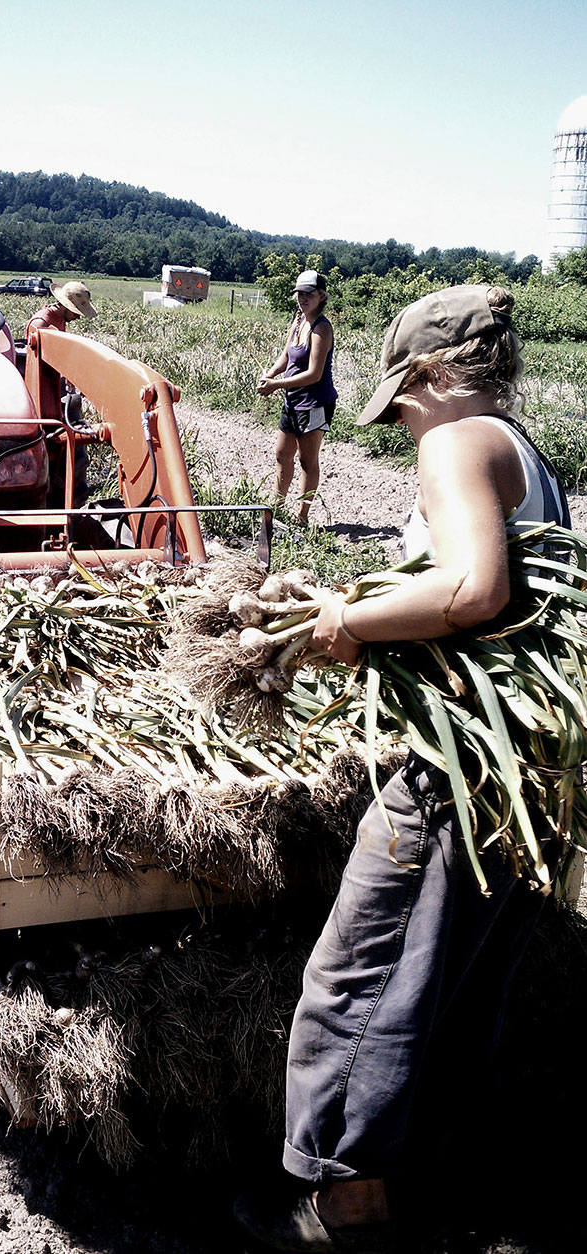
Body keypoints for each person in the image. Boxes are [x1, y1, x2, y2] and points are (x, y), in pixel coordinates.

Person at [235, 284, 571, 1252]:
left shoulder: (456, 442)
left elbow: (472, 589)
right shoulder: (522, 451)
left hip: (455, 771)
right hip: (518, 775)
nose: (403, 421)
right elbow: (487, 596)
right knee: (452, 983)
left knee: (361, 981)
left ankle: (342, 1212)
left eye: (404, 398)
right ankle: (436, 1182)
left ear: (427, 373)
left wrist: (339, 623)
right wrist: (357, 601)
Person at [257, 270, 337, 527]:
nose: (302, 298)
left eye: (308, 294)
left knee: (306, 460)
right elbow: (287, 357)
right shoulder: (299, 321)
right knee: (282, 454)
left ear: (321, 296)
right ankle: (277, 509)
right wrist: (269, 374)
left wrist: (275, 385)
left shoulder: (321, 328)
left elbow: (314, 374)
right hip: (293, 400)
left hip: (315, 403)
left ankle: (301, 516)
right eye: (299, 294)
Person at [25, 280, 97, 337]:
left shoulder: (61, 318)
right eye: (75, 313)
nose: (78, 317)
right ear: (65, 306)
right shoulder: (40, 322)